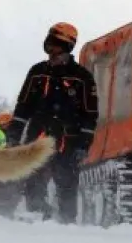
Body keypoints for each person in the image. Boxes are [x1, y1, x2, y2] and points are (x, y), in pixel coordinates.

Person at [7, 22, 98, 223]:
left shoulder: (82, 78)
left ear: (66, 47)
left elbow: (90, 115)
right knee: (33, 180)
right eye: (48, 44)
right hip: (37, 136)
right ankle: (37, 216)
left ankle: (66, 223)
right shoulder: (37, 72)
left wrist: (84, 144)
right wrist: (13, 133)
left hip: (68, 139)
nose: (51, 49)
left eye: (55, 44)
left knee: (66, 183)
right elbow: (23, 107)